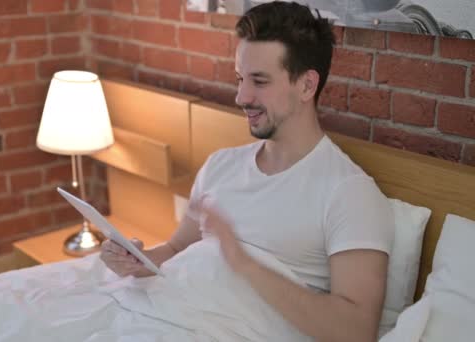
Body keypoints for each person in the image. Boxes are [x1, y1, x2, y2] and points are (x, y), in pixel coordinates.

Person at [101, 2, 394, 341]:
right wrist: (136, 259)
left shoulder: (349, 193)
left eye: (259, 81)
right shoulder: (221, 165)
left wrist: (242, 263)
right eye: (240, 78)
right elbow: (174, 250)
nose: (241, 96)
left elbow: (357, 331)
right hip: (165, 317)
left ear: (306, 86)